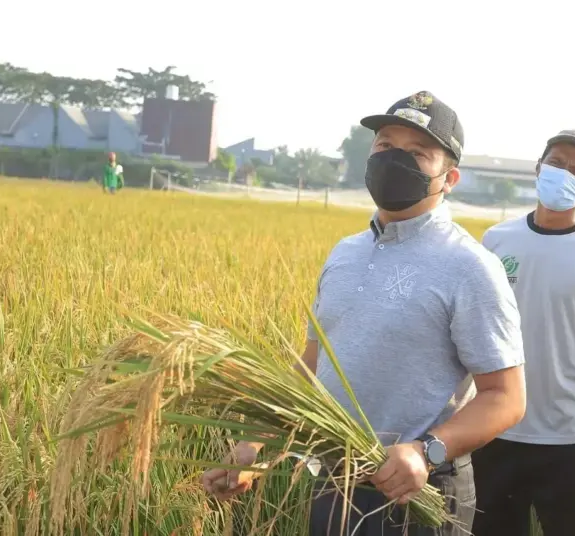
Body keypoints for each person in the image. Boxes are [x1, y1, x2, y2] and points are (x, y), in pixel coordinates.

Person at [201, 91, 527, 535]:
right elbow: (314, 365)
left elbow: (506, 397)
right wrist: (257, 444)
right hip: (334, 482)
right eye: (385, 146)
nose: (396, 160)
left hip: (419, 492)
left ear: (449, 178)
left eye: (417, 153)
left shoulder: (469, 266)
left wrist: (426, 451)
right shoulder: (346, 253)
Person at [472, 129, 575, 536]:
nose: (564, 174)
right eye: (557, 163)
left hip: (567, 440)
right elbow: (472, 334)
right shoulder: (496, 241)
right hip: (495, 431)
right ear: (538, 168)